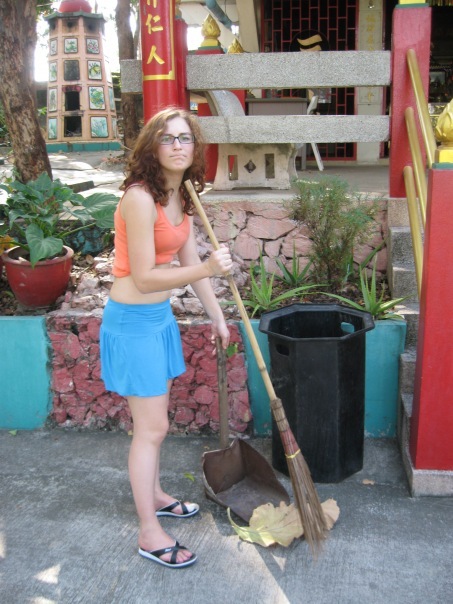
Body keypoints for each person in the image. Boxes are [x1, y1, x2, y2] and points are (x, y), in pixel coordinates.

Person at [100, 107, 233, 569]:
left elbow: (189, 262)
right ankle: (148, 532)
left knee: (156, 425)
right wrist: (208, 267)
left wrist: (216, 316)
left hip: (158, 321)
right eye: (168, 138)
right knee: (152, 429)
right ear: (151, 147)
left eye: (186, 138)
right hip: (132, 323)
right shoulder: (139, 199)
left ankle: (155, 494)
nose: (178, 145)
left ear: (195, 148)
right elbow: (144, 277)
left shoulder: (182, 194)